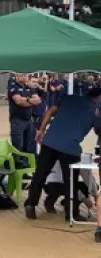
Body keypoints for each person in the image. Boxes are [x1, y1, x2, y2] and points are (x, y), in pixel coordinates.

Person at [24, 79, 101, 222]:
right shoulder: (96, 110)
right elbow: (98, 131)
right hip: (70, 147)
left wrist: (41, 130)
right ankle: (71, 213)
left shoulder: (69, 99)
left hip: (50, 141)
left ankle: (30, 204)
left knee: (39, 174)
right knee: (70, 180)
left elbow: (50, 111)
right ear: (98, 97)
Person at [8, 73, 41, 154]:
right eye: (23, 75)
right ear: (18, 76)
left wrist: (26, 100)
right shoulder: (13, 87)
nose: (26, 76)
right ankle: (19, 164)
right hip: (17, 120)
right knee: (18, 146)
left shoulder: (29, 87)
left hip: (28, 120)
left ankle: (28, 164)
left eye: (26, 75)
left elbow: (38, 101)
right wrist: (31, 101)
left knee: (29, 145)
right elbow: (18, 101)